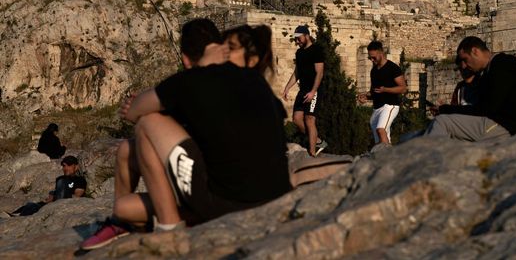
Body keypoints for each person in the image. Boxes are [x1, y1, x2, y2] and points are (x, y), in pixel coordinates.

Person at [81, 24, 291, 250]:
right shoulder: (255, 81)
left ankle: (168, 228)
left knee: (147, 125)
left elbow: (134, 114)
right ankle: (121, 224)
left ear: (186, 58)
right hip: (275, 195)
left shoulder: (194, 80)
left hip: (231, 203)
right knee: (126, 151)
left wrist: (193, 73)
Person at [425, 36, 516, 141]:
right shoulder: (492, 69)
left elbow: (484, 109)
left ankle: (428, 158)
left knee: (442, 122)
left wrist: (445, 109)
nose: (463, 66)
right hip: (502, 124)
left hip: (503, 126)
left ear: (475, 51)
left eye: (465, 59)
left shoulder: (500, 66)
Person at [282, 25, 327, 157]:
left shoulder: (316, 50)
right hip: (303, 90)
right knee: (296, 119)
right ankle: (318, 141)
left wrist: (313, 91)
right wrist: (287, 88)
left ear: (306, 36)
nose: (297, 42)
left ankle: (312, 151)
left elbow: (319, 73)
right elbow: (297, 73)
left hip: (315, 89)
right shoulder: (299, 52)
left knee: (309, 119)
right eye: (295, 40)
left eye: (299, 39)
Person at [358, 41, 407, 145]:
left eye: (374, 57)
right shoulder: (374, 70)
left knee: (381, 129)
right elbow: (374, 91)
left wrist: (386, 89)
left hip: (390, 105)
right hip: (377, 107)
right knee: (379, 139)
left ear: (381, 53)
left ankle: (385, 158)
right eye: (370, 57)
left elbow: (403, 88)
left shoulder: (393, 68)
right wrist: (366, 97)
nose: (372, 60)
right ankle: (386, 157)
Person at [11, 155, 86, 216]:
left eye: (68, 165)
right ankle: (15, 215)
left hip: (64, 204)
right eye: (63, 166)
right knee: (31, 205)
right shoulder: (60, 178)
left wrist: (59, 194)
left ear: (76, 167)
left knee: (61, 182)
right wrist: (52, 195)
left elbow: (77, 196)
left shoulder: (80, 180)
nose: (65, 168)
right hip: (53, 203)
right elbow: (53, 196)